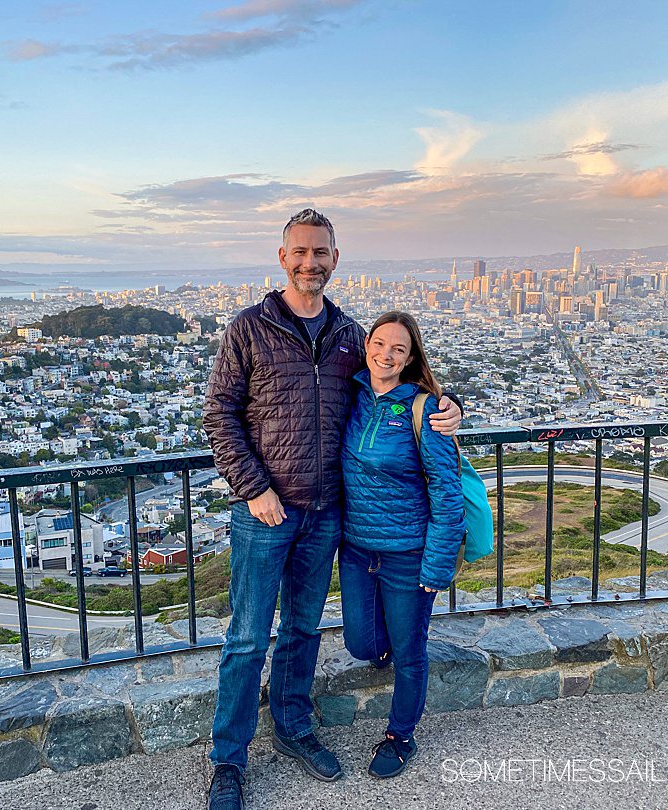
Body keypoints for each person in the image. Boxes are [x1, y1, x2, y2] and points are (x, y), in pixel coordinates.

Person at [203, 210, 461, 810]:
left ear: (336, 259)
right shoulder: (250, 328)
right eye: (299, 252)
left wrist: (450, 408)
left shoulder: (350, 334)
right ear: (281, 256)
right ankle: (228, 763)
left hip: (326, 515)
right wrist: (254, 489)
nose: (309, 262)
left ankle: (294, 728)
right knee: (245, 638)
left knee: (302, 629)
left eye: (320, 252)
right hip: (264, 511)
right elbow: (218, 416)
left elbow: (395, 382)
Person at [338, 310, 468, 779]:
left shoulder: (424, 408)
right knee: (361, 642)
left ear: (411, 358)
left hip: (407, 553)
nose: (385, 354)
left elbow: (446, 490)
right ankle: (393, 640)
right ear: (365, 345)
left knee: (411, 649)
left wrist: (436, 569)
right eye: (379, 343)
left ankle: (400, 736)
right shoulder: (349, 393)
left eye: (398, 348)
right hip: (355, 547)